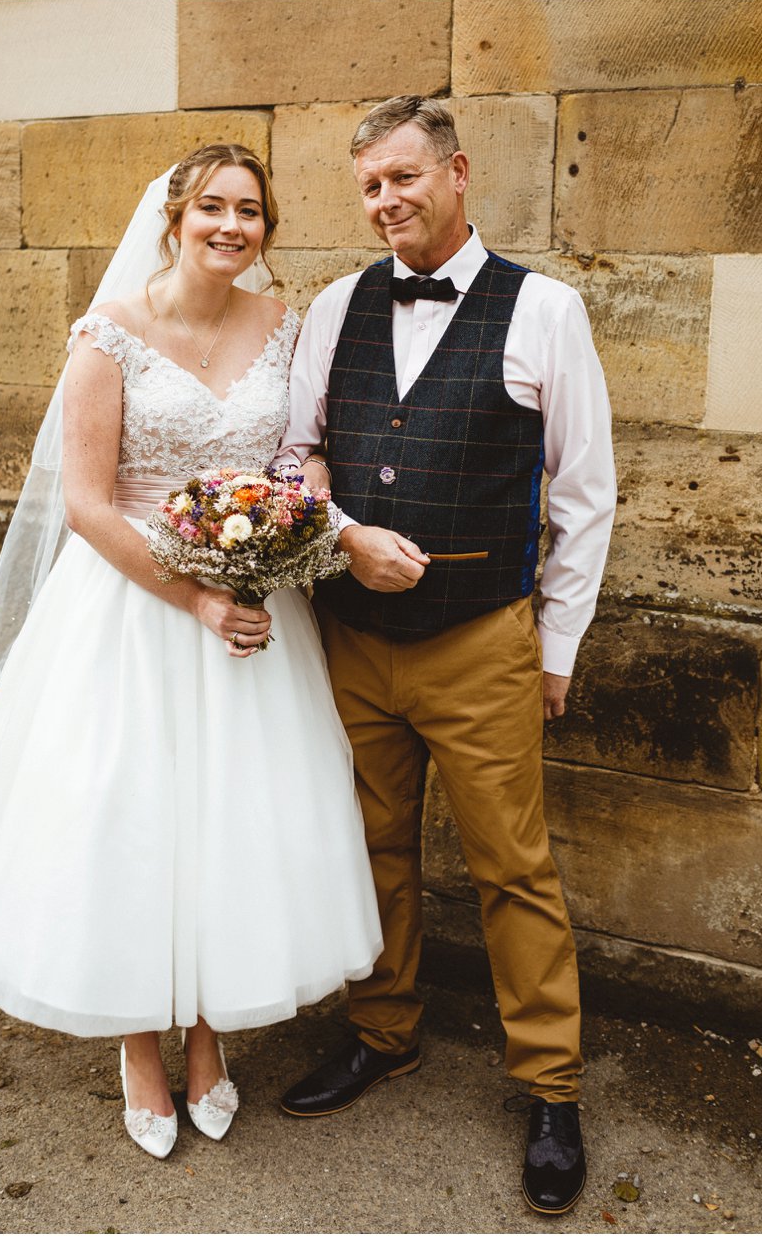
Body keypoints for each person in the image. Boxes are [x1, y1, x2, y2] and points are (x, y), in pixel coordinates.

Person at [0, 145, 385, 1161]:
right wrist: (197, 596)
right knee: (126, 819)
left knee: (231, 819)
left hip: (254, 609)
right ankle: (137, 1040)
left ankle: (210, 1036)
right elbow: (85, 502)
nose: (230, 224)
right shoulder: (108, 338)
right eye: (210, 206)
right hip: (130, 606)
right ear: (173, 219)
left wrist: (290, 516)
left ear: (265, 227)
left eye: (248, 210)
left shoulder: (282, 326)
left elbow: (297, 452)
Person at [271, 96, 616, 1215]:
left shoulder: (546, 310)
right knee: (368, 847)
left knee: (513, 866)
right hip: (353, 637)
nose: (385, 202)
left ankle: (551, 1087)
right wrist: (338, 536)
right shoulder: (333, 306)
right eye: (369, 185)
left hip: (481, 637)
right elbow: (298, 450)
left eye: (403, 178)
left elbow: (583, 494)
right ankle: (383, 1031)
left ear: (457, 173)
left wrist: (553, 644)